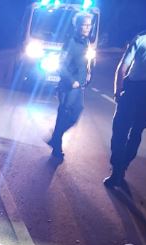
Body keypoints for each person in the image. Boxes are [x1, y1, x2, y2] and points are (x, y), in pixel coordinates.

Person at [103, 27, 146, 188]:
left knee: (120, 131)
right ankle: (122, 166)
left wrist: (118, 91)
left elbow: (123, 67)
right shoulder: (141, 39)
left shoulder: (141, 39)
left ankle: (117, 170)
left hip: (133, 91)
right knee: (136, 133)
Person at [47, 12, 93, 160]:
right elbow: (61, 65)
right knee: (66, 114)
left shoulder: (85, 41)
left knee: (75, 112)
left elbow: (84, 61)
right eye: (84, 25)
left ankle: (55, 138)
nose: (88, 27)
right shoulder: (71, 42)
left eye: (89, 25)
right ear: (77, 25)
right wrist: (71, 81)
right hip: (70, 86)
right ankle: (56, 146)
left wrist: (88, 72)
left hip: (79, 85)